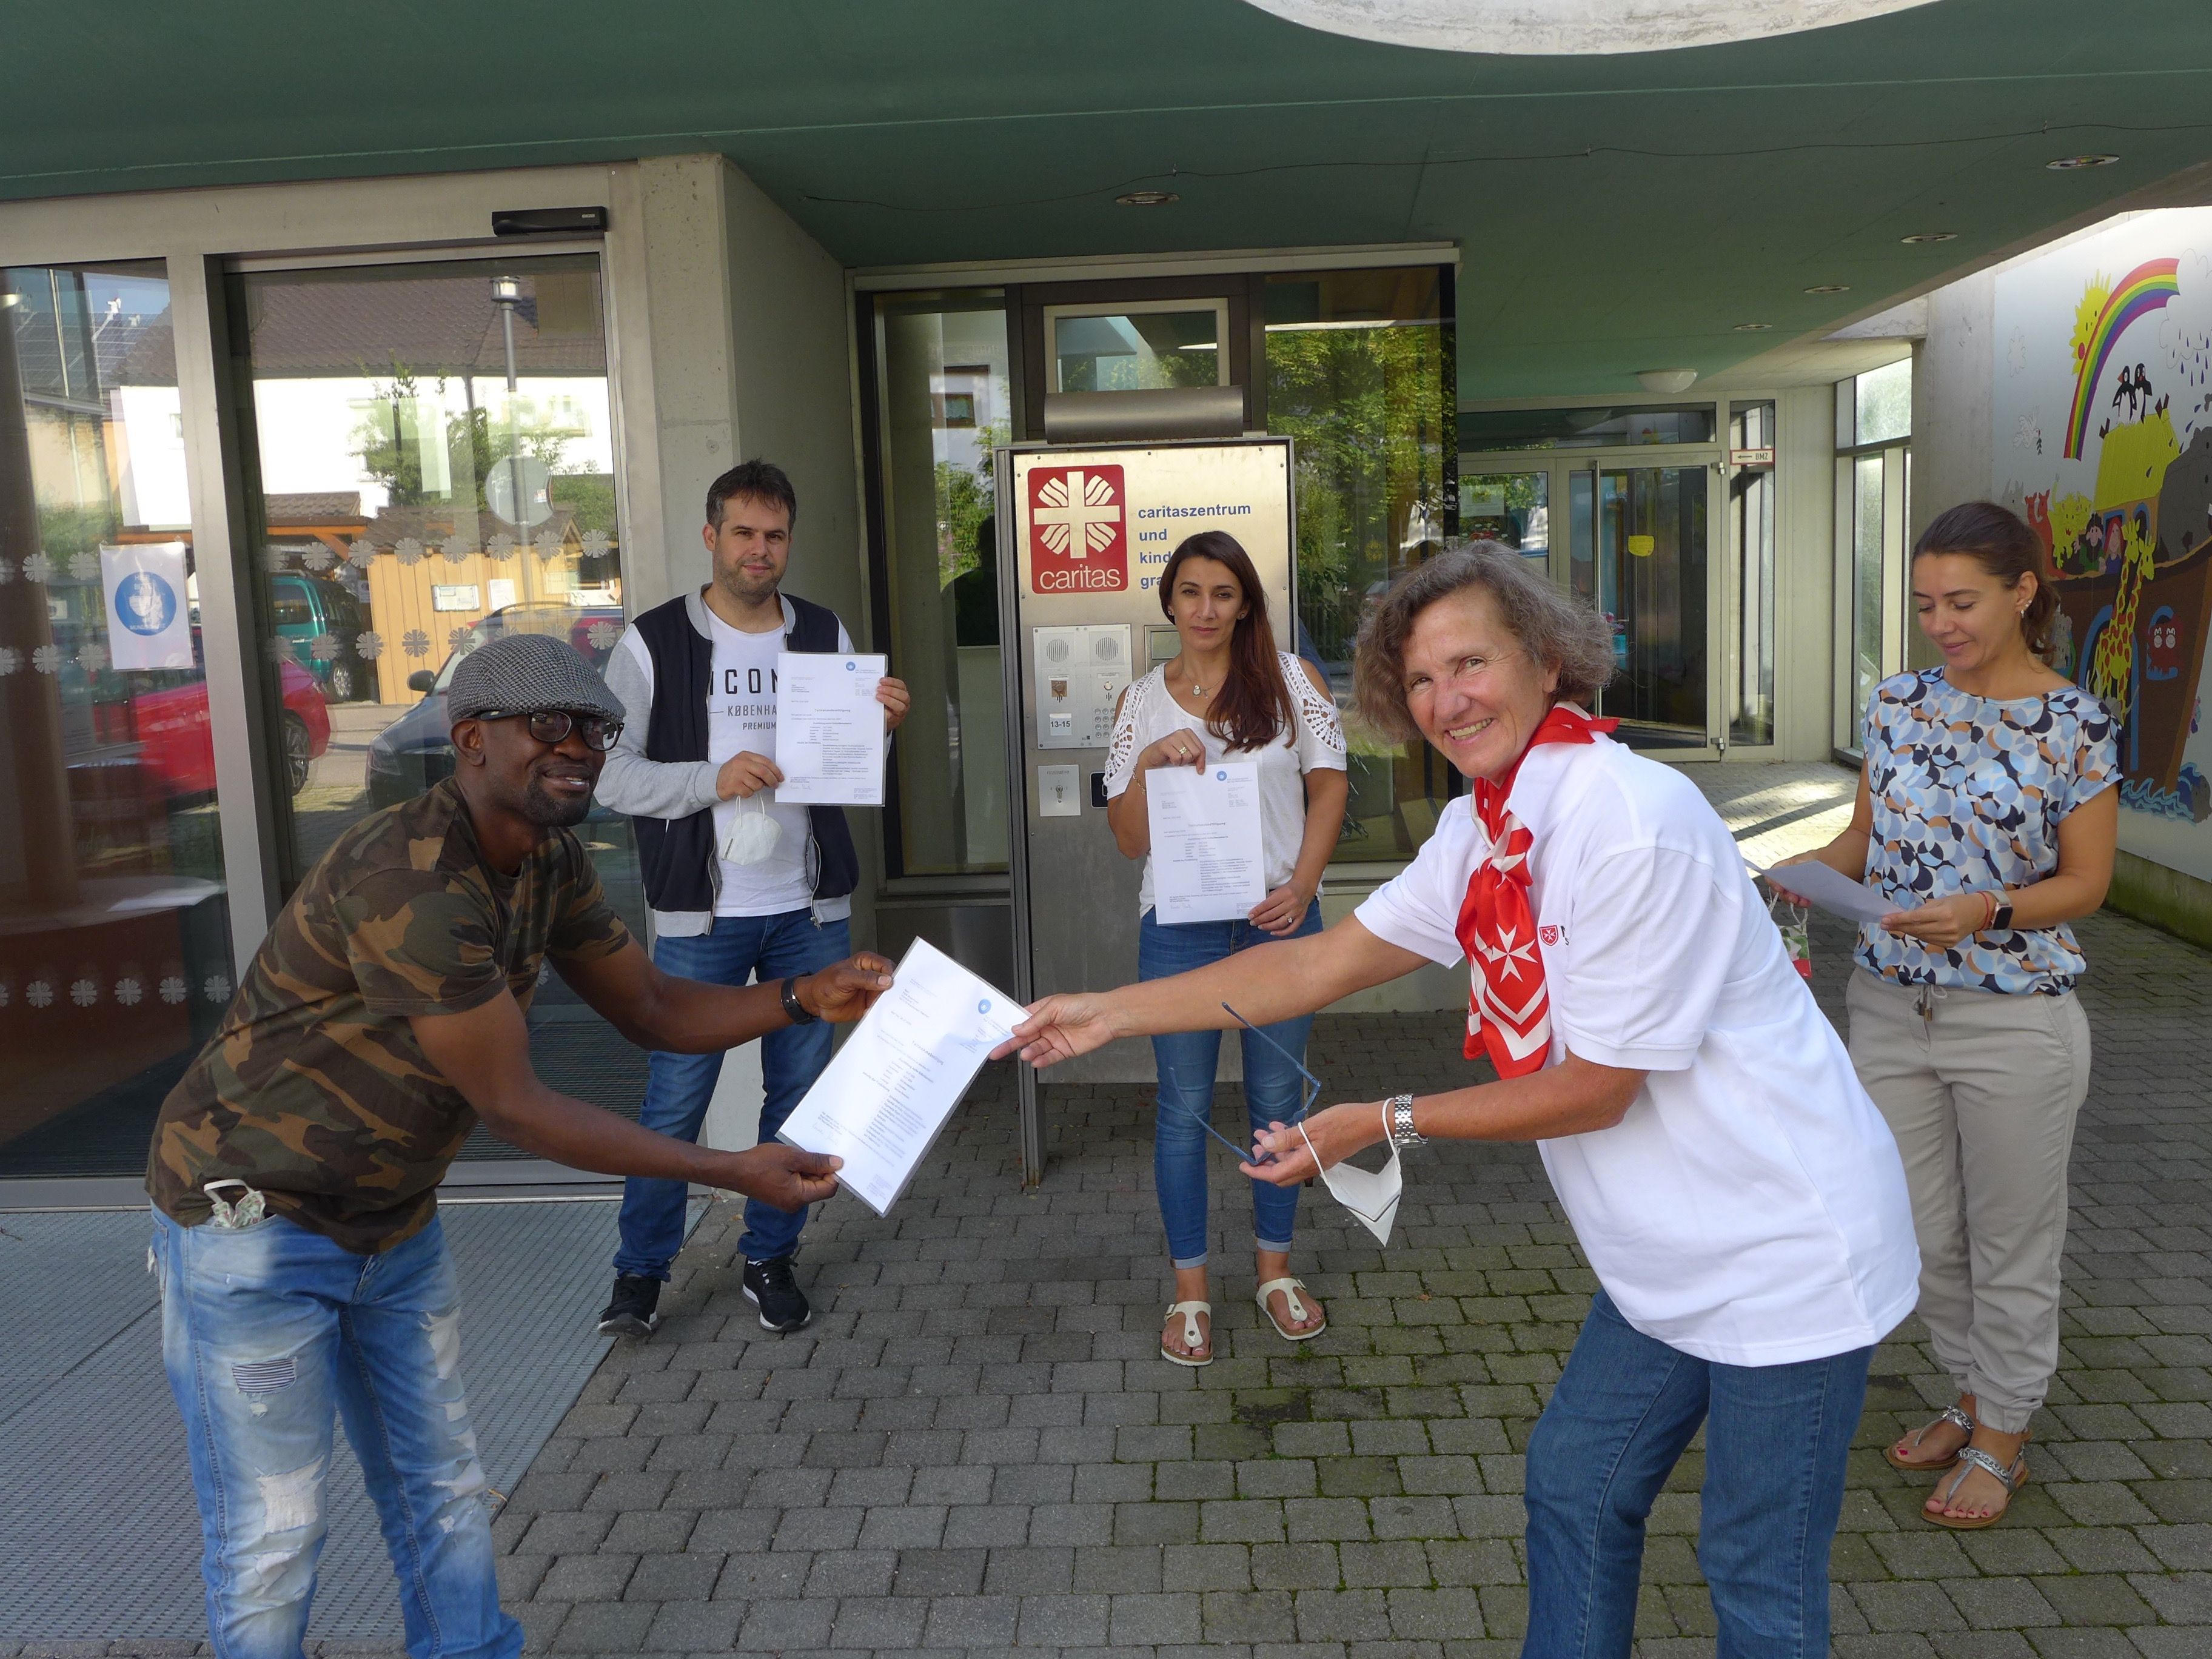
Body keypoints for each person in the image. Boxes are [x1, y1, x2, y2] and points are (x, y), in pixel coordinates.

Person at [1006, 544, 1919, 1657]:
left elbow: (1599, 1092)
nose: (1448, 701)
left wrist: (1382, 1120)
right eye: (1422, 680)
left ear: (1546, 659)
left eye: (1471, 663)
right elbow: (1317, 964)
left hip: (1784, 1251)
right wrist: (1109, 1011)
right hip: (1665, 1259)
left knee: (1754, 1571)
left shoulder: (1630, 820)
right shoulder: (1485, 826)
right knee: (1575, 1489)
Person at [146, 633, 891, 1659]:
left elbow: (653, 1006)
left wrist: (805, 994)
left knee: (443, 1490)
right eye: (548, 725)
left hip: (391, 1223)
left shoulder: (548, 858)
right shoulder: (410, 879)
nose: (577, 746)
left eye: (595, 729)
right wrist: (728, 1171)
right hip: (253, 1229)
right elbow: (518, 1108)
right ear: (471, 739)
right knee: (274, 1537)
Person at [1774, 500, 2117, 1529]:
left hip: (2016, 1021)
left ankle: (2003, 1431)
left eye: (1962, 602)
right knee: (1920, 1234)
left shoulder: (2076, 724)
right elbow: (1864, 842)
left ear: (2024, 592)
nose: (1940, 624)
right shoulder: (1894, 704)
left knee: (2014, 1240)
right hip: (1888, 1007)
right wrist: (1793, 873)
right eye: (1925, 604)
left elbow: (2089, 883)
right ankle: (1971, 1395)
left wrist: (1987, 910)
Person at [594, 459, 909, 1338]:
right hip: (701, 917)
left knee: (800, 1100)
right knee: (674, 1103)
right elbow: (609, 776)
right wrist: (712, 778)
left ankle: (770, 1257)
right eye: (743, 533)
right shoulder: (652, 642)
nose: (759, 550)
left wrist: (880, 731)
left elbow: (850, 771)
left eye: (774, 535)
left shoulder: (823, 630)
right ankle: (640, 1274)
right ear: (712, 537)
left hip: (809, 911)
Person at [1101, 530, 1347, 1364]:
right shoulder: (1140, 701)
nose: (1206, 609)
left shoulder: (1293, 681)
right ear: (1169, 600)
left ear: (1246, 604)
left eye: (1224, 593)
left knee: (1279, 1106)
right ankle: (1191, 1292)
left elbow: (1330, 788)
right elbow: (1128, 840)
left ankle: (1275, 1273)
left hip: (1279, 922)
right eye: (1191, 592)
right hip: (1180, 930)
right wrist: (1148, 766)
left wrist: (1304, 886)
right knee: (1183, 1111)